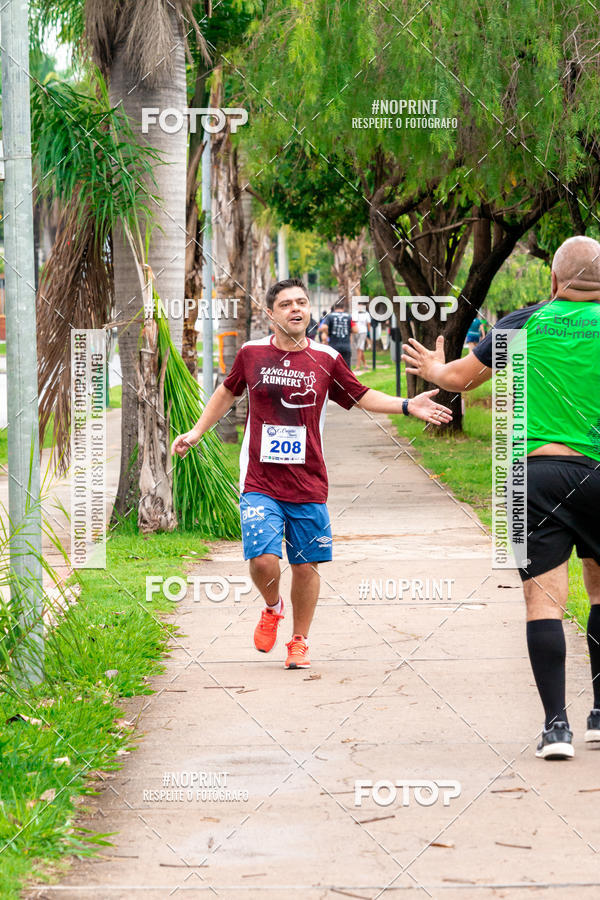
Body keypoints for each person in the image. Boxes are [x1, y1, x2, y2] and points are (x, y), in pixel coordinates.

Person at [173, 278, 452, 669]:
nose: (296, 309)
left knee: (305, 566)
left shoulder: (326, 359)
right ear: (271, 314)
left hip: (307, 481)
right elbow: (227, 392)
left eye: (301, 302)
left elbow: (360, 395)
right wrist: (197, 431)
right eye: (286, 304)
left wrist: (407, 405)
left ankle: (299, 640)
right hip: (259, 481)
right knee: (264, 560)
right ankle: (272, 607)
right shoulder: (252, 354)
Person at [402, 236, 600, 760]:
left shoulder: (520, 324)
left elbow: (457, 381)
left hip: (531, 479)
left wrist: (433, 368)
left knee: (544, 601)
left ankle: (556, 727)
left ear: (554, 282)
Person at [318, 301, 358, 367]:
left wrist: (329, 333)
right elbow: (356, 330)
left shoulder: (330, 316)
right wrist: (348, 331)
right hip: (346, 346)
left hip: (333, 346)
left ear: (334, 307)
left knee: (332, 368)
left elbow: (323, 327)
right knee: (346, 368)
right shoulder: (349, 317)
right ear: (343, 308)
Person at [354, 302, 370, 371]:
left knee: (359, 349)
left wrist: (368, 334)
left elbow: (368, 324)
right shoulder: (355, 313)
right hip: (356, 332)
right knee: (360, 349)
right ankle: (365, 364)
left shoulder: (366, 314)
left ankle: (358, 366)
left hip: (363, 332)